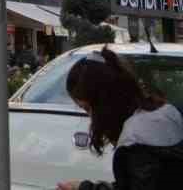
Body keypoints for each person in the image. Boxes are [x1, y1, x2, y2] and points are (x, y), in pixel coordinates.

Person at [56, 48, 183, 190]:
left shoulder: (136, 144)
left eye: (88, 108)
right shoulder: (167, 113)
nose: (90, 117)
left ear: (105, 104)